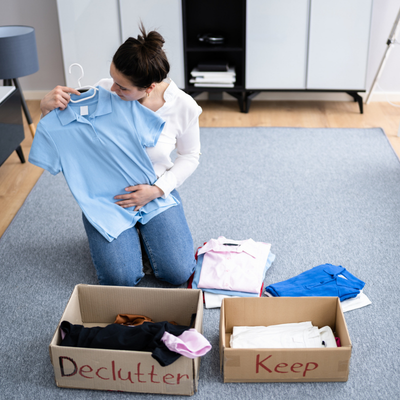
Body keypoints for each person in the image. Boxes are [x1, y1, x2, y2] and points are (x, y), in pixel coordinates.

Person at [38, 25, 202, 287]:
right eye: (112, 78)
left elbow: (191, 155)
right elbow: (66, 132)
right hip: (107, 197)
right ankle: (119, 235)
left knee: (178, 273)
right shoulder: (104, 92)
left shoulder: (183, 107)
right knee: (120, 279)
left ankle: (143, 234)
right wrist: (45, 109)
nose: (112, 88)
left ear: (149, 87)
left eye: (122, 87)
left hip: (153, 190)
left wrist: (158, 190)